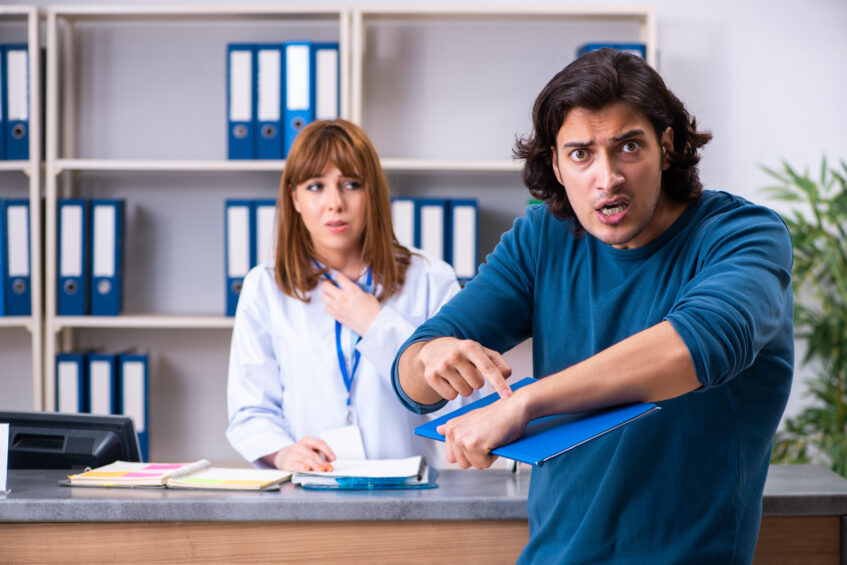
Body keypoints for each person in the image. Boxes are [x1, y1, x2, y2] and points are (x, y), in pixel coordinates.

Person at [392, 48, 793, 564]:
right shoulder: (543, 238)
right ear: (556, 165)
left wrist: (524, 403)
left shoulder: (743, 237)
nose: (607, 178)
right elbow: (412, 382)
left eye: (628, 147)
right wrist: (431, 357)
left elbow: (696, 347)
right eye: (581, 154)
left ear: (666, 146)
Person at [226, 119, 461, 472]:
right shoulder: (265, 286)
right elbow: (250, 409)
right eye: (316, 186)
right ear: (295, 199)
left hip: (409, 494)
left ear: (372, 195)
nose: (334, 203)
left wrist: (377, 324)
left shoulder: (430, 278)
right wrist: (284, 452)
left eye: (351, 185)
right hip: (306, 491)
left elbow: (459, 403)